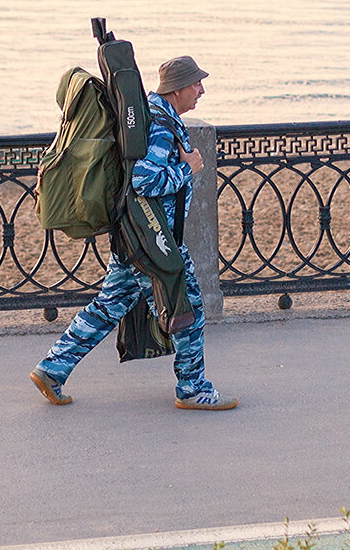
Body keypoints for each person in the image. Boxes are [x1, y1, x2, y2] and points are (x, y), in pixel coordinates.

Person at [30, 56, 239, 411]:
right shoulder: (159, 124)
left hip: (135, 235)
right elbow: (144, 180)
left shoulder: (151, 115)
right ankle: (193, 389)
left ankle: (53, 368)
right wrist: (187, 170)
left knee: (110, 304)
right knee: (188, 308)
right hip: (153, 239)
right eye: (196, 84)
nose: (201, 90)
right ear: (178, 88)